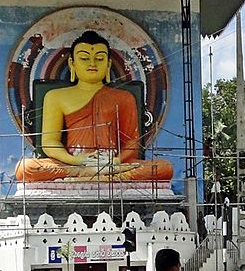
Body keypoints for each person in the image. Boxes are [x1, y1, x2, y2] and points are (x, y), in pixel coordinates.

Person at [15, 30, 173, 183]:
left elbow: (132, 143)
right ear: (72, 63)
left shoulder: (124, 98)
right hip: (74, 163)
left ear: (108, 64)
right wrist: (76, 161)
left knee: (163, 168)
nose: (92, 63)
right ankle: (98, 176)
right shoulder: (55, 96)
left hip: (111, 164)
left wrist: (115, 162)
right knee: (26, 168)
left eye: (99, 58)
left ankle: (95, 175)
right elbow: (50, 143)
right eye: (84, 58)